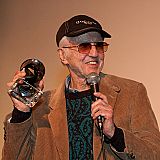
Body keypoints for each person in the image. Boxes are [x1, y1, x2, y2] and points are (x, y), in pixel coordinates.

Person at [2, 14, 160, 160]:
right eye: (84, 46)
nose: (94, 53)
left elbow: (154, 153)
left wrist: (115, 134)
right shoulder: (40, 108)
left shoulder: (131, 92)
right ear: (63, 56)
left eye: (99, 46)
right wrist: (21, 113)